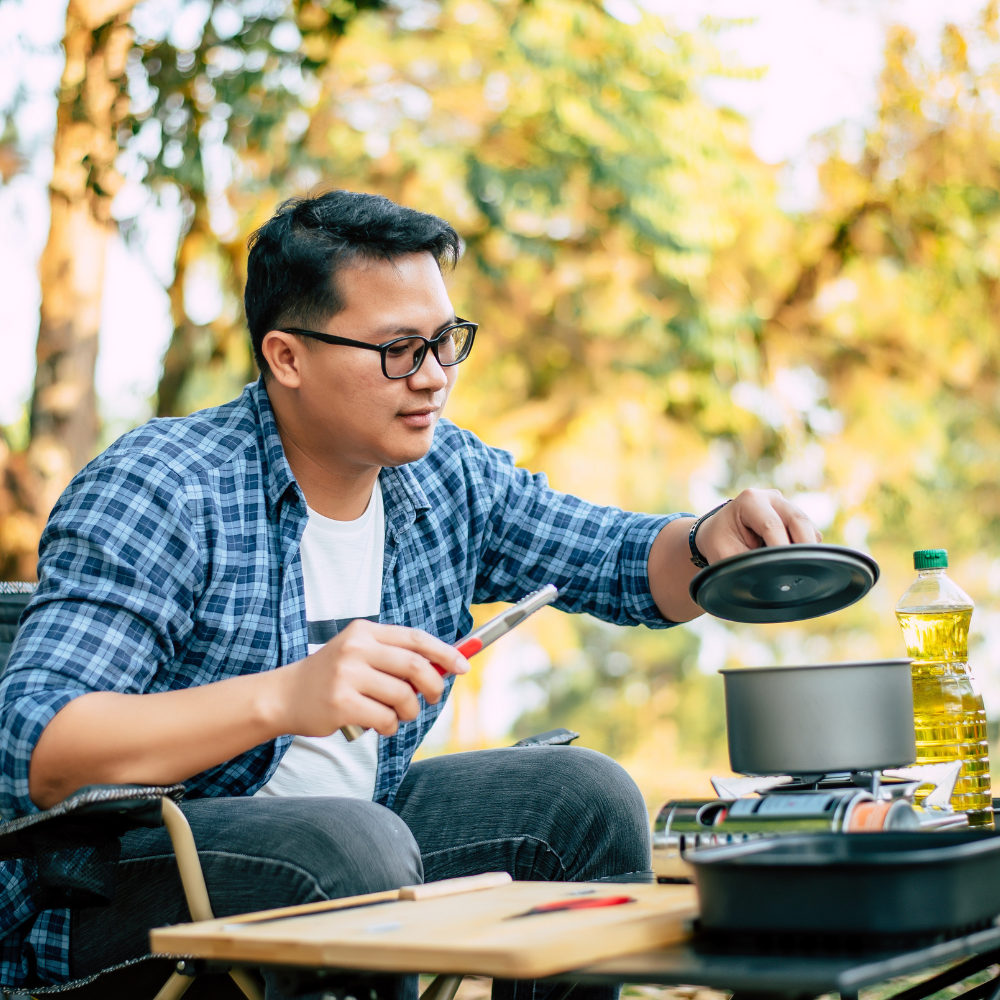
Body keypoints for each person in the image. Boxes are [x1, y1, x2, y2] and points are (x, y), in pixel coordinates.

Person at [0, 190, 819, 994]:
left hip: (368, 829)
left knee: (585, 797)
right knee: (350, 842)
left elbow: (620, 561)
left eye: (445, 341)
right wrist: (286, 697)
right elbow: (40, 746)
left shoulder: (445, 475)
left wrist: (711, 539)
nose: (433, 378)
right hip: (118, 876)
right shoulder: (164, 487)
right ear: (287, 357)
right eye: (399, 349)